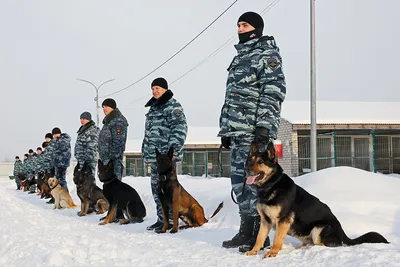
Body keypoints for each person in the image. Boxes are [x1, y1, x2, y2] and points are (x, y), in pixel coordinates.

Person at [218, 12, 286, 252]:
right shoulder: (239, 58)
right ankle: (246, 230)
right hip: (237, 132)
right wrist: (225, 129)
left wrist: (263, 127)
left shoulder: (266, 54)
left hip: (253, 133)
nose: (240, 28)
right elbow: (231, 99)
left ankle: (260, 234)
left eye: (244, 24)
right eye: (238, 25)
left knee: (254, 184)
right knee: (239, 184)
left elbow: (273, 91)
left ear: (256, 28)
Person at [141, 77, 188, 231]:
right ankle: (162, 219)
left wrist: (172, 152)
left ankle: (171, 221)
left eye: (158, 88)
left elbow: (180, 128)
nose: (155, 91)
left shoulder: (172, 106)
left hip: (166, 159)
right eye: (153, 88)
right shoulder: (154, 108)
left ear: (165, 89)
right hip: (155, 157)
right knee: (157, 189)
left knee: (169, 190)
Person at [98, 98, 128, 180]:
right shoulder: (108, 121)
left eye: (106, 106)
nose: (104, 109)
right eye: (103, 107)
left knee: (114, 187)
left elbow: (118, 141)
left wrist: (111, 161)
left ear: (112, 107)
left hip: (113, 163)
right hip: (106, 161)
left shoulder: (118, 120)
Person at [52, 127, 71, 192]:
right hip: (58, 164)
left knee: (62, 180)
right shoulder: (58, 140)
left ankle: (66, 196)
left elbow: (65, 153)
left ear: (57, 134)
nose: (53, 136)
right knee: (59, 180)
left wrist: (60, 163)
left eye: (54, 135)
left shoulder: (63, 141)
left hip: (62, 164)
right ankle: (61, 197)